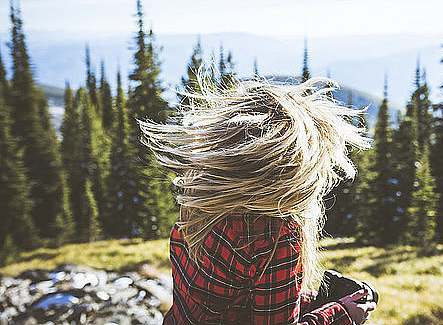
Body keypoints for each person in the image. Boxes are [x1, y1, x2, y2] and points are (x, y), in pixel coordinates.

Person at [138, 72, 375, 325]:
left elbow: (230, 297)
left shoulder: (204, 195)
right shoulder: (275, 235)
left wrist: (312, 301)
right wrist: (340, 314)